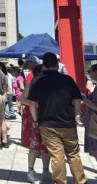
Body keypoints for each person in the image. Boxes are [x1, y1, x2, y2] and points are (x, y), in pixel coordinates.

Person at [25, 52, 86, 184]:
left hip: (47, 123)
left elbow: (32, 104)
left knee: (56, 155)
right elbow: (77, 100)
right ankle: (81, 181)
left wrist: (35, 121)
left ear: (44, 65)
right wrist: (76, 115)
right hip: (68, 123)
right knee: (73, 154)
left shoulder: (37, 81)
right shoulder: (67, 79)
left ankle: (60, 182)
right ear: (57, 65)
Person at [20, 65, 50, 184]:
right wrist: (34, 104)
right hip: (33, 118)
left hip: (45, 116)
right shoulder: (31, 83)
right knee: (34, 146)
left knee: (46, 146)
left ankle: (46, 171)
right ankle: (30, 171)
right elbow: (22, 99)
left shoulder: (48, 84)